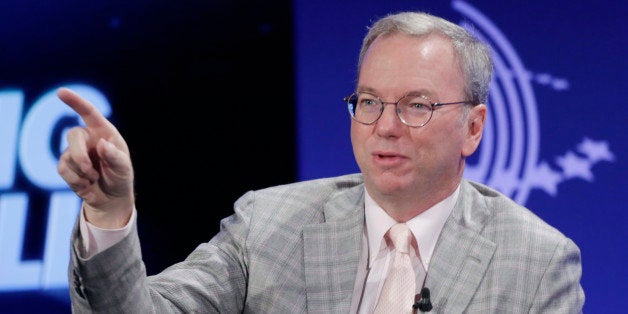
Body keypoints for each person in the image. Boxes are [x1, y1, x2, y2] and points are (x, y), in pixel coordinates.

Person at [57, 10, 585, 313]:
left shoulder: (537, 264)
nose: (385, 125)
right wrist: (109, 214)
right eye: (370, 102)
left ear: (473, 127)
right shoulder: (269, 225)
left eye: (417, 106)